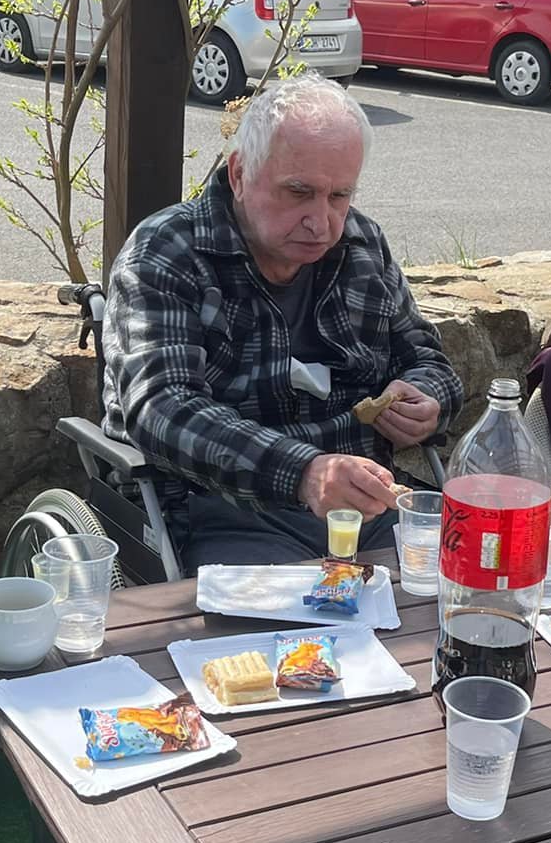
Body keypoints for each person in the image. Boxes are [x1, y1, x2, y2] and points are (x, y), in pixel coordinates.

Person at [103, 74, 464, 570]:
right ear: (239, 174)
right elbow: (162, 409)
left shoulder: (361, 245)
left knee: (488, 567)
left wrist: (428, 399)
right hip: (221, 511)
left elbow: (427, 359)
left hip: (366, 506)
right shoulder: (168, 252)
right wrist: (304, 472)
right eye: (299, 192)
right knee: (298, 614)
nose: (322, 222)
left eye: (339, 196)